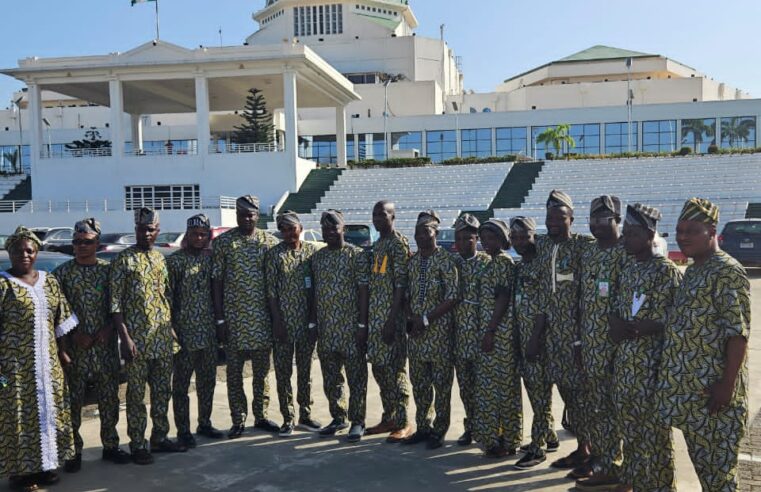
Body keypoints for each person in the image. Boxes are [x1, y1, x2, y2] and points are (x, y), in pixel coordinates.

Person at [657, 198, 750, 491]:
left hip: (715, 397)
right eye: (680, 230)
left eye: (692, 231)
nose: (683, 237)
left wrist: (726, 386)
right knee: (707, 475)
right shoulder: (695, 269)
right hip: (692, 397)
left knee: (720, 478)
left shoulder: (726, 271)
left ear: (712, 231)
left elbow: (737, 334)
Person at [0, 227, 77, 492]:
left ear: (36, 253)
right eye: (19, 250)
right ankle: (20, 473)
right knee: (18, 416)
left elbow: (60, 320)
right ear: (9, 252)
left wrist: (63, 351)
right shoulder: (3, 284)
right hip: (13, 367)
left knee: (49, 413)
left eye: (30, 250)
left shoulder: (49, 281)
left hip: (48, 363)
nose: (25, 254)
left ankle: (47, 466)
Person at [610, 204, 680, 492]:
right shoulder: (628, 269)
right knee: (631, 434)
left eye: (631, 233)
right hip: (626, 367)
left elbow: (677, 318)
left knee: (656, 439)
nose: (625, 238)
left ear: (650, 234)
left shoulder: (667, 271)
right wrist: (616, 324)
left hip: (652, 370)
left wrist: (642, 327)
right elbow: (615, 306)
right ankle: (635, 483)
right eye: (624, 233)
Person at [53, 218, 130, 473]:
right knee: (72, 402)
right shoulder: (62, 274)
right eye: (76, 242)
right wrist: (73, 336)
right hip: (76, 350)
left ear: (97, 243)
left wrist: (109, 329)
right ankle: (73, 452)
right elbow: (56, 311)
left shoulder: (109, 271)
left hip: (104, 347)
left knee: (109, 399)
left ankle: (110, 445)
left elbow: (119, 305)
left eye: (86, 242)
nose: (80, 246)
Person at [111, 207, 187, 465]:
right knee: (135, 395)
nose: (146, 233)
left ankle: (159, 437)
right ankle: (137, 444)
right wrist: (125, 338)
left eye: (151, 229)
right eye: (142, 229)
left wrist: (172, 329)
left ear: (157, 231)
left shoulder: (159, 259)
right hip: (137, 342)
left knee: (162, 392)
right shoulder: (124, 260)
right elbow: (115, 304)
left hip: (163, 338)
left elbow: (165, 297)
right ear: (136, 230)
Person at [534, 190, 595, 473]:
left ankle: (593, 453)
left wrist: (582, 338)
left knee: (583, 398)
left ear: (572, 219)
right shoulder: (544, 245)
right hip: (551, 336)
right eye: (549, 217)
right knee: (568, 395)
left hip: (577, 337)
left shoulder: (584, 246)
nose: (554, 222)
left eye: (560, 217)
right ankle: (582, 450)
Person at [212, 195, 280, 439]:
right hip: (234, 321)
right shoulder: (223, 243)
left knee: (262, 374)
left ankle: (260, 416)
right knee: (234, 374)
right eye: (243, 215)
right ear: (237, 216)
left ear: (257, 215)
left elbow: (275, 283)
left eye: (251, 214)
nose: (247, 218)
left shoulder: (269, 242)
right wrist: (220, 319)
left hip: (262, 321)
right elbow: (216, 283)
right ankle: (238, 419)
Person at [575, 196, 628, 488]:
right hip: (593, 347)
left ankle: (628, 470)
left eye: (603, 219)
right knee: (601, 410)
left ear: (616, 220)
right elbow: (584, 301)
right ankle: (607, 464)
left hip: (623, 351)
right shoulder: (591, 253)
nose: (596, 225)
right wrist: (580, 344)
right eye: (592, 220)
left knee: (625, 412)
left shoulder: (628, 251)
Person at [311, 210, 369, 442]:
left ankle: (358, 421)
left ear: (343, 229)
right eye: (325, 229)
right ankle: (338, 416)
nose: (330, 233)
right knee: (331, 377)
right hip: (327, 330)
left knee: (356, 377)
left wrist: (363, 324)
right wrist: (313, 321)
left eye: (334, 228)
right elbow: (315, 293)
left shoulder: (356, 256)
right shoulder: (318, 257)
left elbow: (364, 291)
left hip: (350, 329)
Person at [402, 210, 459, 450]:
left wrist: (425, 319)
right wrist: (411, 319)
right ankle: (423, 427)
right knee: (420, 384)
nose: (421, 237)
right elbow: (406, 294)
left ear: (435, 233)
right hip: (416, 337)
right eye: (417, 233)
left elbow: (453, 296)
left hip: (439, 335)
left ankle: (439, 430)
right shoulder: (413, 262)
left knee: (442, 385)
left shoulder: (445, 260)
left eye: (426, 232)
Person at [167, 214, 224, 449]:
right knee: (181, 385)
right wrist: (171, 328)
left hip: (209, 332)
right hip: (184, 334)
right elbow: (167, 297)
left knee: (207, 382)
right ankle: (183, 430)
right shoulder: (176, 261)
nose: (199, 238)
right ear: (187, 235)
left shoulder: (212, 259)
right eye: (194, 234)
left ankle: (205, 422)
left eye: (203, 234)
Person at [266, 210, 322, 436]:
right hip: (283, 324)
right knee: (283, 371)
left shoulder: (311, 252)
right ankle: (288, 417)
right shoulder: (274, 255)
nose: (289, 233)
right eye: (285, 229)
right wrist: (277, 322)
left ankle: (305, 414)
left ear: (301, 228)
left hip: (306, 322)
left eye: (293, 228)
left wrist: (312, 320)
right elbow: (271, 293)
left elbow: (316, 289)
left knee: (305, 370)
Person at [510, 217, 559, 469]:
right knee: (535, 392)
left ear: (533, 235)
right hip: (524, 338)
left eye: (524, 236)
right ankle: (549, 436)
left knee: (540, 395)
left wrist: (534, 339)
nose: (519, 242)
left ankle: (537, 448)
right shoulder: (521, 266)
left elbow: (543, 307)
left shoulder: (541, 265)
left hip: (538, 341)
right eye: (515, 237)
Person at [472, 218, 523, 458]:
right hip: (488, 333)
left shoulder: (503, 262)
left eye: (491, 238)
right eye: (483, 238)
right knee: (490, 390)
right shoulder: (489, 263)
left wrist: (491, 331)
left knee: (504, 390)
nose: (486, 242)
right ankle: (495, 436)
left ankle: (509, 439)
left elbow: (502, 299)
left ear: (502, 240)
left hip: (499, 335)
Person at [365, 200, 413, 442]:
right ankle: (389, 417)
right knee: (380, 370)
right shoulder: (378, 244)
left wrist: (392, 321)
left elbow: (401, 287)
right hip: (376, 320)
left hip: (391, 321)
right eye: (374, 214)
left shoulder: (397, 244)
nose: (377, 218)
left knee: (396, 372)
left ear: (393, 216)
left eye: (382, 214)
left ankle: (404, 423)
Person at [451, 213, 490, 447]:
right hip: (459, 338)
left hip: (482, 337)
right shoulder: (452, 263)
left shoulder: (487, 262)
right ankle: (471, 427)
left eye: (469, 238)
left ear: (477, 239)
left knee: (484, 387)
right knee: (465, 387)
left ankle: (489, 429)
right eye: (459, 238)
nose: (464, 243)